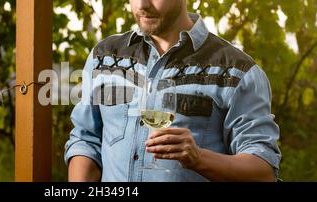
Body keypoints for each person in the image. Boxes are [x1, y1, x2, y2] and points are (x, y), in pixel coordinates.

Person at [64, 0, 281, 182]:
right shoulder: (104, 56)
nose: (142, 5)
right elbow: (86, 140)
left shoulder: (238, 71)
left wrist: (199, 159)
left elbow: (263, 170)